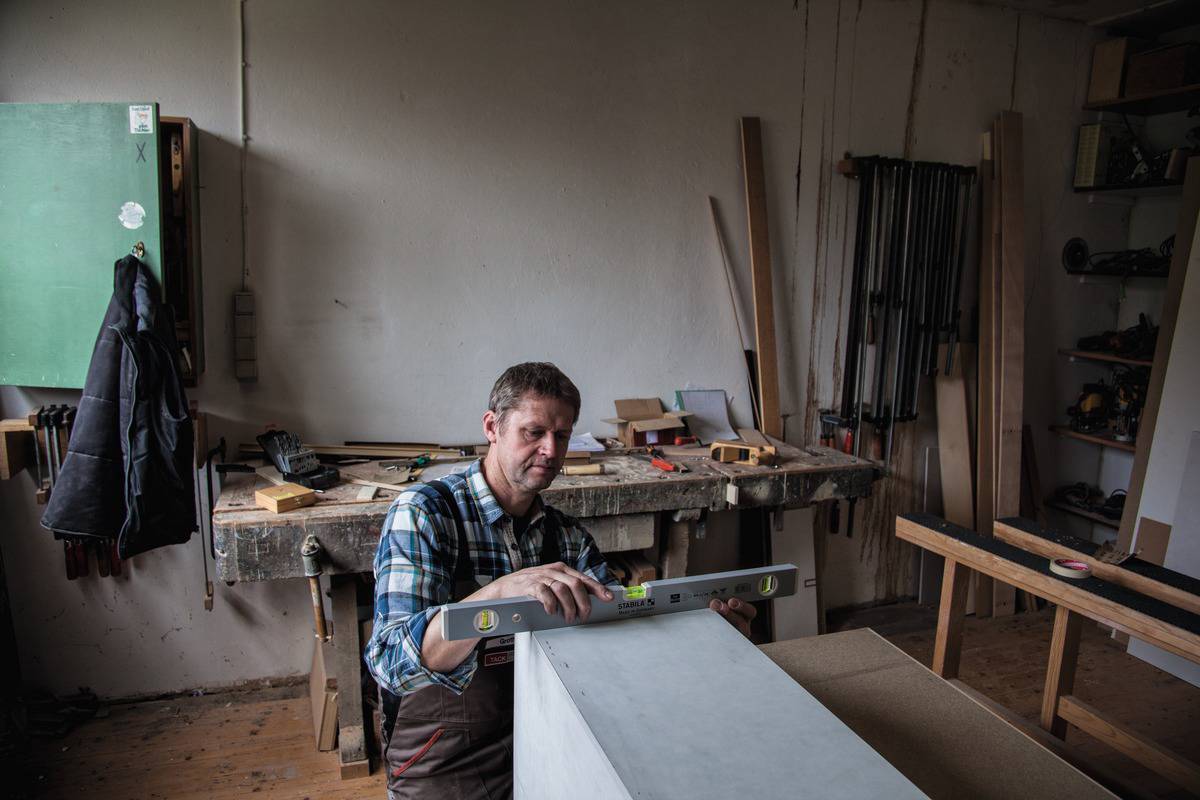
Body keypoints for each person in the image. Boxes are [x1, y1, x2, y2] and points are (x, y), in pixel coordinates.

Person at [365, 362, 756, 799]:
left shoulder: (567, 539)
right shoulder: (425, 514)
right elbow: (389, 663)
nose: (552, 450)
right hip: (443, 759)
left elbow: (621, 641)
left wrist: (705, 641)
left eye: (563, 435)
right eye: (534, 432)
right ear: (492, 427)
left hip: (548, 735)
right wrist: (495, 596)